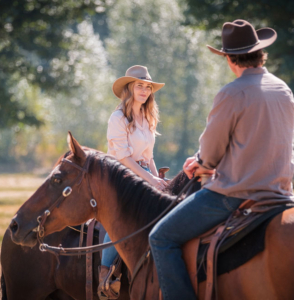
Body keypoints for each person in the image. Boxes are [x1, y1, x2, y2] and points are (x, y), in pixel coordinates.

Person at [149, 19, 294, 300]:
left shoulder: (232, 92)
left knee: (161, 238)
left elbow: (212, 153)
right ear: (260, 53)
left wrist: (201, 161)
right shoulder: (284, 90)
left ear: (229, 58)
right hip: (281, 193)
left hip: (235, 194)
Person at [98, 65, 168, 299]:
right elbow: (123, 158)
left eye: (148, 86)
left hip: (143, 172)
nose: (145, 90)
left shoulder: (148, 117)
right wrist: (149, 179)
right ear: (129, 88)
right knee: (120, 218)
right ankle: (106, 273)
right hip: (121, 175)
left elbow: (148, 157)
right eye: (140, 85)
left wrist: (158, 180)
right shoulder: (118, 118)